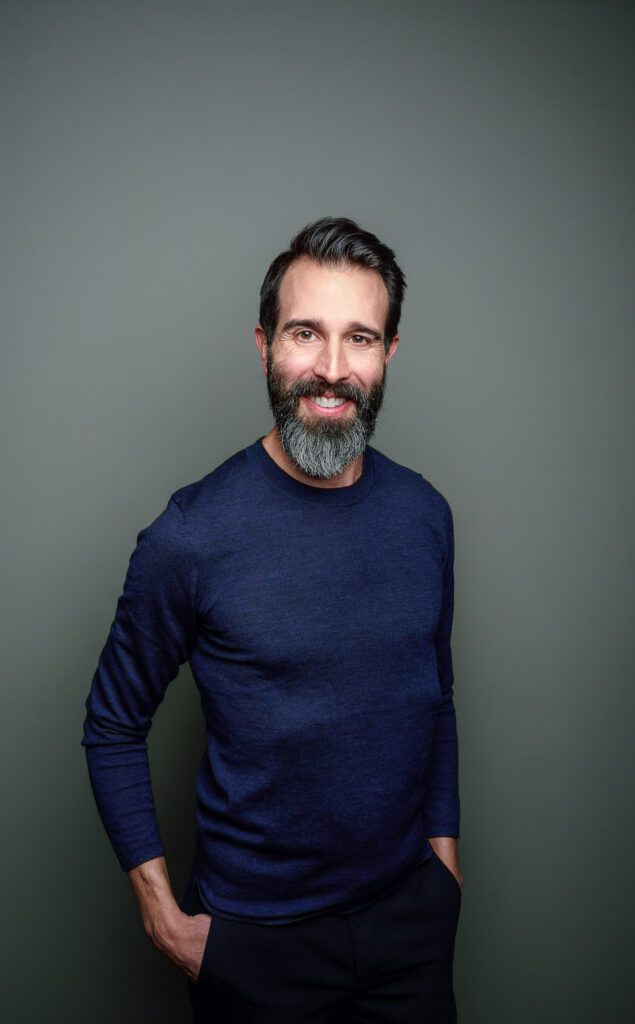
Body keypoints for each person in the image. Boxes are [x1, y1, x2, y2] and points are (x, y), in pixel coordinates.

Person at [81, 216, 462, 1023]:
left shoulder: (425, 515)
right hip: (254, 944)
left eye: (359, 338)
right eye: (304, 334)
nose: (331, 369)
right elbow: (112, 724)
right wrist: (163, 916)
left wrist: (443, 867)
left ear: (388, 353)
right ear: (263, 345)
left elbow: (436, 701)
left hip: (409, 931)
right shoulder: (190, 535)